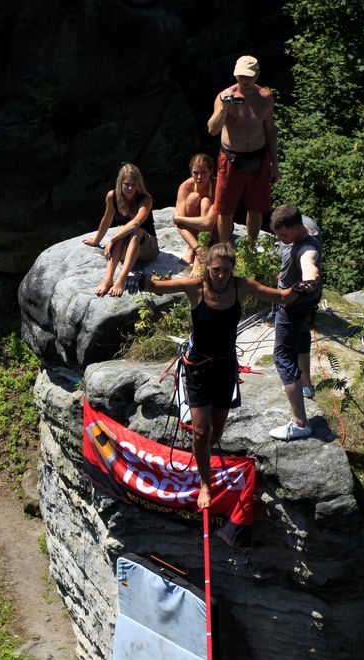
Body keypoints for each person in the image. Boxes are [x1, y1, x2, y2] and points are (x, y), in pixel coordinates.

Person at [128, 242, 304, 508]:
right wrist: (141, 282)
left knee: (216, 430)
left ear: (232, 269)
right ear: (208, 267)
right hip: (198, 366)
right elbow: (157, 287)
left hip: (225, 366)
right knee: (200, 430)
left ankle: (202, 457)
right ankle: (205, 484)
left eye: (224, 270)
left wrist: (301, 288)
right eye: (215, 270)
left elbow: (281, 297)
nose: (220, 275)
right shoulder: (195, 286)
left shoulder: (240, 286)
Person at [207, 55, 278, 245]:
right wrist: (224, 108)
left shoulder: (265, 97)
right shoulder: (225, 96)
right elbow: (212, 130)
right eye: (240, 76)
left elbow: (270, 129)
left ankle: (251, 247)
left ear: (257, 75)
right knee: (225, 208)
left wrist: (275, 164)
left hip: (258, 156)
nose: (244, 81)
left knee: (256, 208)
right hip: (231, 158)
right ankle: (224, 247)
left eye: (248, 77)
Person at [268, 204, 322, 441]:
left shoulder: (307, 248)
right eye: (278, 235)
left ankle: (300, 422)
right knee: (301, 339)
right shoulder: (308, 224)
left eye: (284, 236)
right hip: (307, 304)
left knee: (282, 357)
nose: (280, 239)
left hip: (293, 306)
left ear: (298, 228)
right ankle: (306, 386)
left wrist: (308, 280)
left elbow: (309, 264)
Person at [83, 163, 159, 297]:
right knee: (123, 229)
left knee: (134, 231)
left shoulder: (145, 199)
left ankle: (121, 279)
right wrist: (97, 241)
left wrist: (112, 239)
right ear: (120, 183)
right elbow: (106, 219)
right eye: (126, 184)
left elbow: (136, 223)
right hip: (126, 249)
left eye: (134, 184)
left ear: (138, 184)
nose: (130, 188)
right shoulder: (112, 196)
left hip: (148, 249)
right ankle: (108, 279)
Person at [173, 153, 217, 266]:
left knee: (206, 201)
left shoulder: (217, 186)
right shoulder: (186, 186)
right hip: (196, 231)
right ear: (191, 172)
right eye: (195, 173)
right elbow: (181, 226)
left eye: (203, 173)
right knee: (193, 197)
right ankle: (193, 248)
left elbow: (207, 224)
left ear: (211, 171)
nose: (199, 177)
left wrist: (178, 218)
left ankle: (199, 260)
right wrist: (197, 248)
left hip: (215, 230)